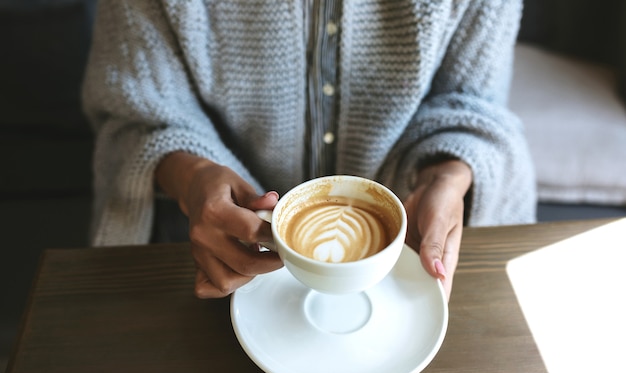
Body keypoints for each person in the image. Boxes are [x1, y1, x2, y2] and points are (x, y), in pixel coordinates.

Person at [82, 0, 536, 301]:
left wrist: (447, 177)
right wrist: (192, 176)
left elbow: (473, 105)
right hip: (207, 244)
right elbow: (135, 112)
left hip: (405, 254)